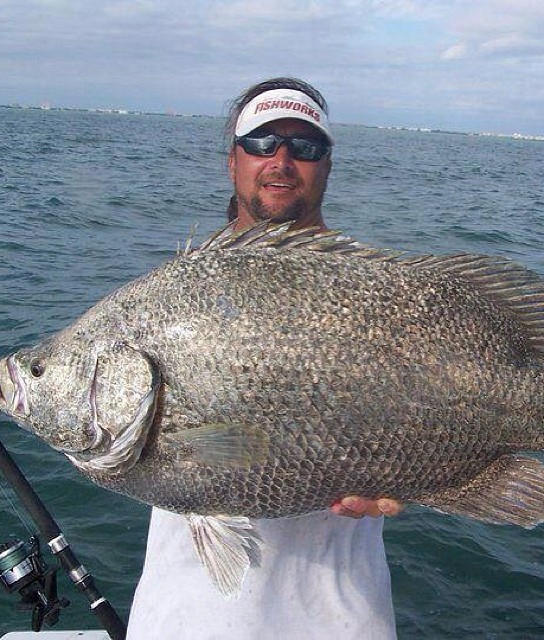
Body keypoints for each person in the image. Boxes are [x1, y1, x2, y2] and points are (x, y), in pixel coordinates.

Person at [126, 78, 401, 640]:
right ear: (233, 160)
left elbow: (429, 414)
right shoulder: (175, 295)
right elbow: (231, 445)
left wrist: (423, 479)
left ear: (326, 165)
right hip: (186, 618)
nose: (281, 160)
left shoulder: (376, 291)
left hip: (341, 618)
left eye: (305, 147)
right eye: (262, 142)